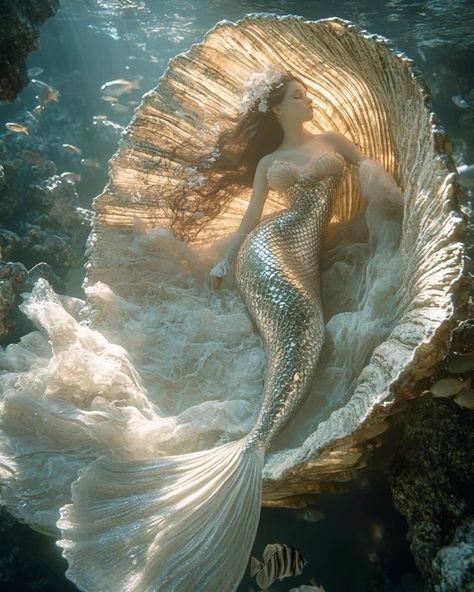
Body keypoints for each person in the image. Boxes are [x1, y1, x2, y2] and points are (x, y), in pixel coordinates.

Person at [0, 68, 404, 592]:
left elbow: (370, 173)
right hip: (267, 251)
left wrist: (395, 198)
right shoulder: (268, 162)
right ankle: (258, 439)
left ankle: (254, 439)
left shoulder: (330, 141)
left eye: (307, 93)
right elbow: (251, 220)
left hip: (308, 254)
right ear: (276, 108)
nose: (309, 100)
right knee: (302, 329)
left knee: (307, 335)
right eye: (298, 95)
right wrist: (225, 261)